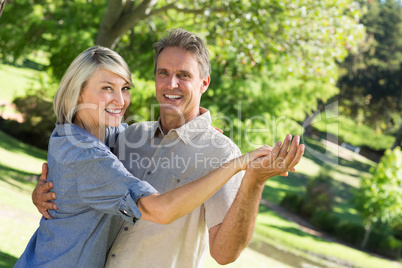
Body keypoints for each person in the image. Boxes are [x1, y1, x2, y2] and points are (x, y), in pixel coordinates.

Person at [33, 29, 305, 267]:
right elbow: (83, 164)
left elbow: (224, 254)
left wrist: (253, 183)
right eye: (163, 72)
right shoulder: (130, 137)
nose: (171, 84)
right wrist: (52, 191)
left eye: (183, 75)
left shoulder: (221, 153)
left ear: (204, 83)